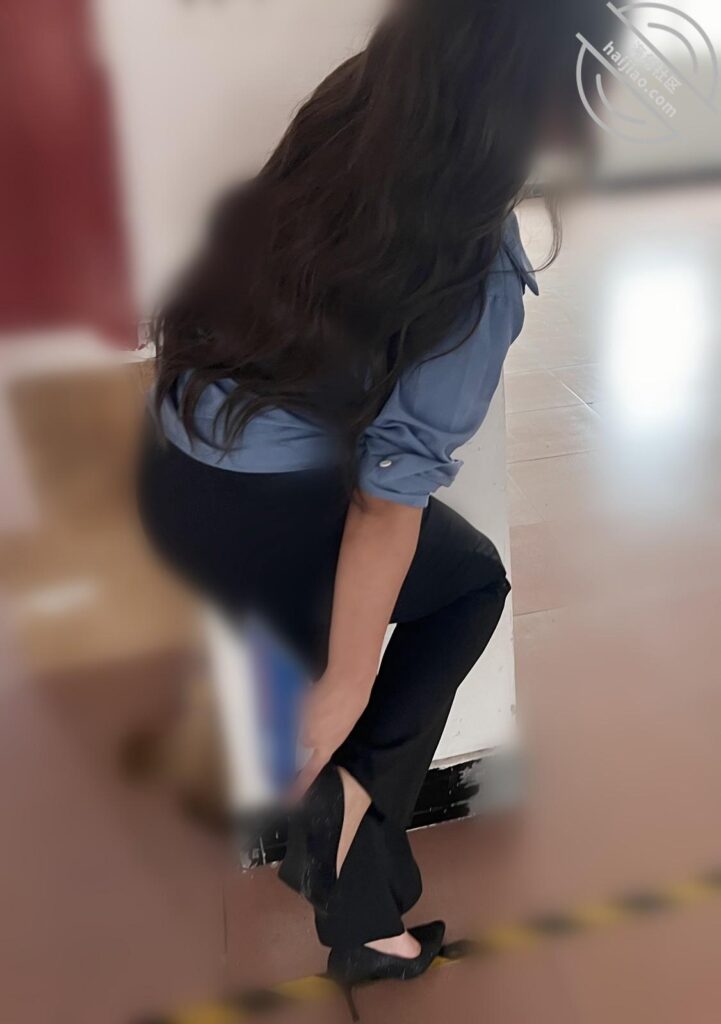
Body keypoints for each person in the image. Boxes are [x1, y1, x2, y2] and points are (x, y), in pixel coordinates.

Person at [138, 0, 591, 1013]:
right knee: (463, 589)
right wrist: (350, 680)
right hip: (269, 511)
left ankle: (368, 929)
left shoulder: (351, 112)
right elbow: (389, 499)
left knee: (337, 707)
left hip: (179, 471)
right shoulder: (477, 259)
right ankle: (345, 814)